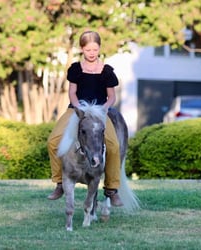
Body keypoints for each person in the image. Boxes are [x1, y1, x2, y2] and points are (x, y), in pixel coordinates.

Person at [47, 30, 123, 206]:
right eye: (88, 50)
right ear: (82, 49)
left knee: (113, 145)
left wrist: (103, 109)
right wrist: (78, 108)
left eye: (95, 49)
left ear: (99, 48)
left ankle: (111, 189)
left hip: (99, 112)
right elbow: (72, 92)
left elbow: (111, 97)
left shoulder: (107, 71)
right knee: (53, 141)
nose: (92, 53)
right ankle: (59, 183)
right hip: (77, 110)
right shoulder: (75, 69)